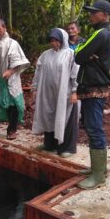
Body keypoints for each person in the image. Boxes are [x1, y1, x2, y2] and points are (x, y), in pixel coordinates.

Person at [74, 0, 110, 189]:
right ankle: (98, 169)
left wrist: (83, 51)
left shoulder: (100, 34)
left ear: (104, 15)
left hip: (95, 88)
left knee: (94, 128)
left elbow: (78, 56)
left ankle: (98, 176)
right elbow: (81, 53)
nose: (90, 15)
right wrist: (83, 51)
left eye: (94, 12)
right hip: (92, 87)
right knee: (92, 127)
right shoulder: (100, 34)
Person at [31, 28, 79, 158]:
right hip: (47, 93)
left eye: (56, 40)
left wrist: (75, 91)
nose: (53, 43)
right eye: (51, 40)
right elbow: (38, 72)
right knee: (49, 116)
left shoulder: (70, 54)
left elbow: (76, 74)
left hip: (65, 93)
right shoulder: (45, 55)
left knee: (66, 118)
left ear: (62, 40)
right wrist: (35, 88)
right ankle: (50, 144)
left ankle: (67, 147)